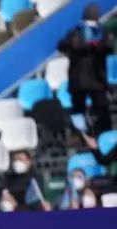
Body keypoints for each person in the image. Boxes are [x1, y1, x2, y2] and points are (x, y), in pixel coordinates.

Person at [58, 3, 113, 134]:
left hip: (88, 79)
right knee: (94, 110)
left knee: (86, 110)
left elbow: (62, 47)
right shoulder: (78, 33)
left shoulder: (79, 33)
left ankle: (91, 135)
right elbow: (62, 46)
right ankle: (92, 135)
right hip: (87, 79)